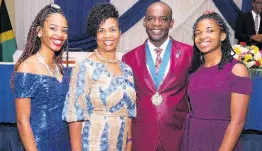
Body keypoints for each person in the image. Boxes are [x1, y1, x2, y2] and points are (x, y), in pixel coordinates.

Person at [62, 3, 136, 151]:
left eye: (112, 30)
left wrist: (129, 142)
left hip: (120, 145)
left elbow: (129, 112)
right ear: (95, 34)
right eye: (101, 31)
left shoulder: (127, 70)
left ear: (120, 32)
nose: (108, 35)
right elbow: (74, 116)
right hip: (92, 144)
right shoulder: (85, 67)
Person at [122, 2, 193, 151]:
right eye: (151, 19)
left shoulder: (190, 53)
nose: (157, 24)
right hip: (141, 136)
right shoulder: (128, 58)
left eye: (163, 19)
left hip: (176, 135)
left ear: (171, 23)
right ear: (145, 22)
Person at [181, 12, 253, 151]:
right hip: (192, 140)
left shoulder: (237, 69)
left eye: (210, 30)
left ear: (223, 35)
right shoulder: (193, 72)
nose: (202, 37)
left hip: (222, 141)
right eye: (198, 33)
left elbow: (238, 122)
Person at [11, 4, 71, 151]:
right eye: (53, 28)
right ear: (39, 31)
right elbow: (22, 120)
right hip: (39, 144)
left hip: (64, 144)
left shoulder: (59, 69)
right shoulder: (27, 67)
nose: (59, 34)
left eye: (64, 30)